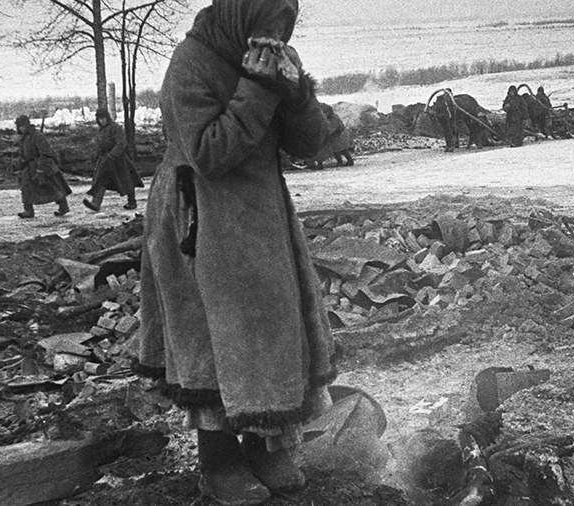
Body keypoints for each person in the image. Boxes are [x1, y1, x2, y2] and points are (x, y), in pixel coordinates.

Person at [133, 1, 336, 504]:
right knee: (213, 335)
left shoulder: (271, 60)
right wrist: (259, 88)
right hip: (200, 217)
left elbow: (311, 144)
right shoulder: (191, 61)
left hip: (261, 215)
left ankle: (265, 445)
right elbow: (209, 153)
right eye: (266, 26)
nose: (272, 40)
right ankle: (218, 459)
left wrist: (296, 92)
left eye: (283, 28)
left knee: (270, 328)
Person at [83, 109, 143, 211]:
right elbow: (100, 145)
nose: (102, 121)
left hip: (119, 160)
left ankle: (132, 202)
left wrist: (112, 155)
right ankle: (96, 203)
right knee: (101, 180)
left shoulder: (115, 128)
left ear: (107, 118)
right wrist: (95, 156)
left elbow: (121, 143)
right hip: (105, 160)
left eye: (104, 118)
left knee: (127, 181)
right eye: (100, 119)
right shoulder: (101, 131)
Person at [14, 115, 71, 219]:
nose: (21, 128)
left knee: (52, 187)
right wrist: (20, 163)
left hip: (43, 165)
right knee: (26, 187)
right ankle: (28, 210)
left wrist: (41, 169)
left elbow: (46, 153)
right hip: (29, 166)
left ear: (27, 125)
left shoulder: (37, 136)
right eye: (19, 126)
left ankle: (63, 206)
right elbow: (23, 153)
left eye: (23, 126)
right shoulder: (23, 138)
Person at [308, 102, 353, 170]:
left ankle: (347, 161)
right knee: (335, 150)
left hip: (339, 136)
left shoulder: (333, 118)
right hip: (333, 137)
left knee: (340, 150)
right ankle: (340, 161)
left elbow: (331, 129)